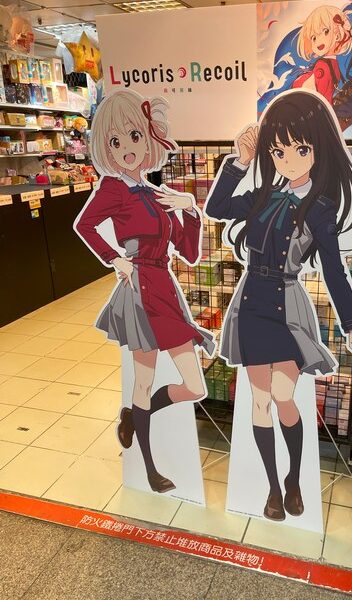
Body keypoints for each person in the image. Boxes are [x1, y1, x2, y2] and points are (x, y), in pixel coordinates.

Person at [205, 90, 352, 522]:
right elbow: (217, 207)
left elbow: (334, 271)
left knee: (284, 397)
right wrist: (240, 161)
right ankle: (272, 488)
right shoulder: (263, 194)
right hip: (251, 302)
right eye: (278, 151)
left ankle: (295, 480)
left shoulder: (321, 209)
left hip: (285, 303)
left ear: (318, 149)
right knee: (259, 401)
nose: (289, 160)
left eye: (300, 149)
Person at [75, 90, 215, 494]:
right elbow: (84, 225)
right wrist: (114, 259)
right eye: (115, 142)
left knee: (195, 386)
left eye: (134, 136)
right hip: (138, 289)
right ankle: (151, 468)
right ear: (106, 148)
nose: (127, 149)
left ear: (150, 137)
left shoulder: (157, 193)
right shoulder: (112, 189)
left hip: (164, 287)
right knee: (143, 378)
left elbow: (189, 253)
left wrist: (190, 208)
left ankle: (136, 416)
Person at [291, 6, 352, 104]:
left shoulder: (331, 63)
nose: (319, 41)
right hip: (305, 104)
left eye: (326, 31)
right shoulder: (323, 65)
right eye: (314, 38)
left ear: (337, 33)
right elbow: (323, 97)